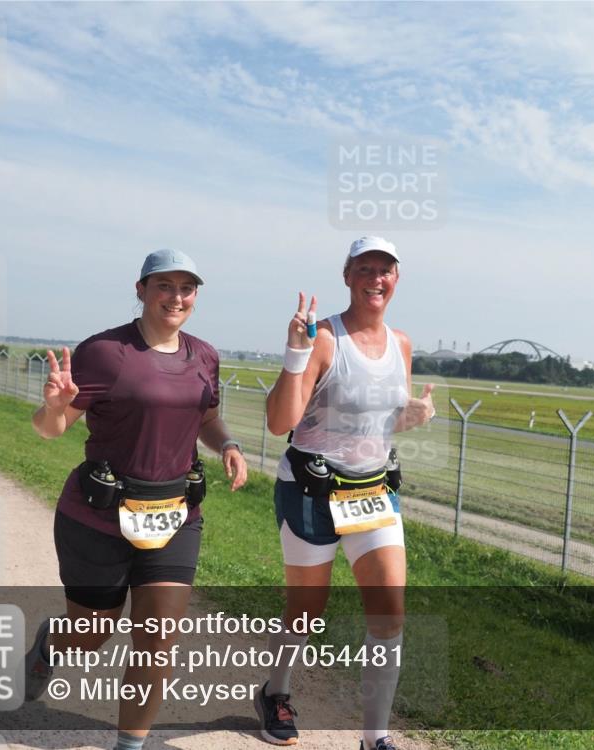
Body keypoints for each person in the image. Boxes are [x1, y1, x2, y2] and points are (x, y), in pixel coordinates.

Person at [25, 248, 247, 750]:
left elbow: (207, 416)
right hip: (99, 517)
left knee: (158, 638)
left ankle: (129, 745)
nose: (176, 297)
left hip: (175, 514)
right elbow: (51, 429)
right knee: (90, 635)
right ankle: (50, 643)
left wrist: (229, 444)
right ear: (141, 289)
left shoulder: (204, 355)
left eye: (186, 287)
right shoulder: (105, 352)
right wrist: (53, 407)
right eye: (164, 285)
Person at [254, 237, 435, 750]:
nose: (376, 278)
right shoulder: (325, 340)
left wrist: (415, 416)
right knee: (306, 611)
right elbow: (279, 423)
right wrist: (296, 353)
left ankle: (374, 738)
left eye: (385, 270)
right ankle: (275, 692)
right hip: (311, 491)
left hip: (373, 491)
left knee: (389, 612)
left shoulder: (402, 344)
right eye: (365, 269)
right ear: (348, 275)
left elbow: (381, 422)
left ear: (396, 279)